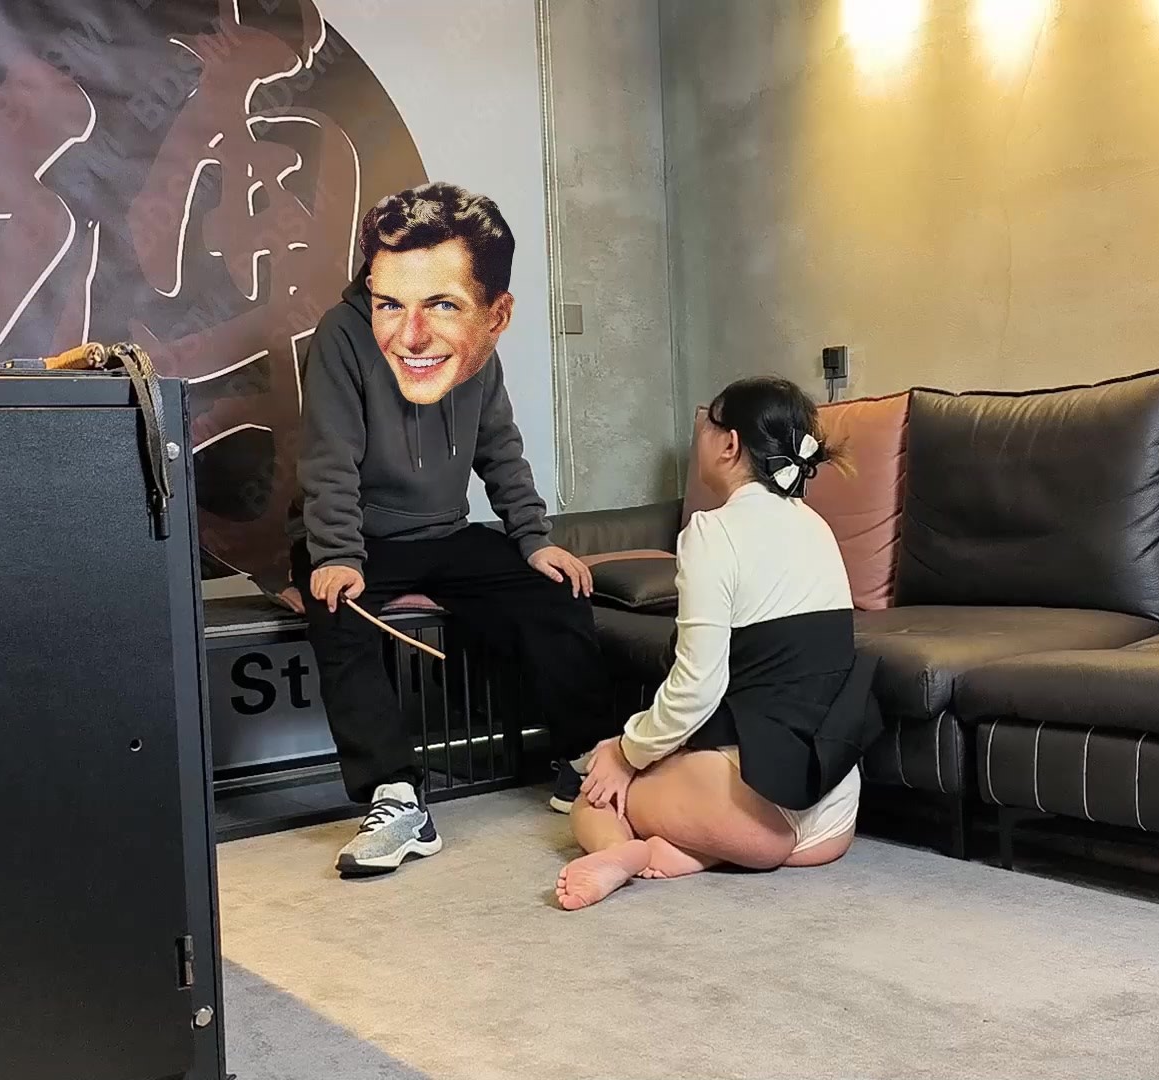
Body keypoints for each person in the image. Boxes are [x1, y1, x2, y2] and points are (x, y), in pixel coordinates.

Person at [289, 181, 614, 876]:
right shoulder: (341, 335)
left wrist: (534, 538)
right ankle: (395, 795)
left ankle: (587, 760)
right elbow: (329, 455)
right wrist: (336, 554)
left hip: (444, 532)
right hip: (358, 537)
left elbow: (500, 446)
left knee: (551, 592)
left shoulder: (472, 337)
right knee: (339, 614)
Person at [554, 376, 883, 910]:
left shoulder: (713, 533)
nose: (699, 435)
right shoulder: (816, 527)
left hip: (757, 812)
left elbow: (696, 688)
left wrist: (626, 751)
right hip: (833, 812)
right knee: (673, 774)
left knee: (594, 792)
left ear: (729, 444)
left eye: (708, 423)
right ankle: (684, 850)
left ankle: (621, 854)